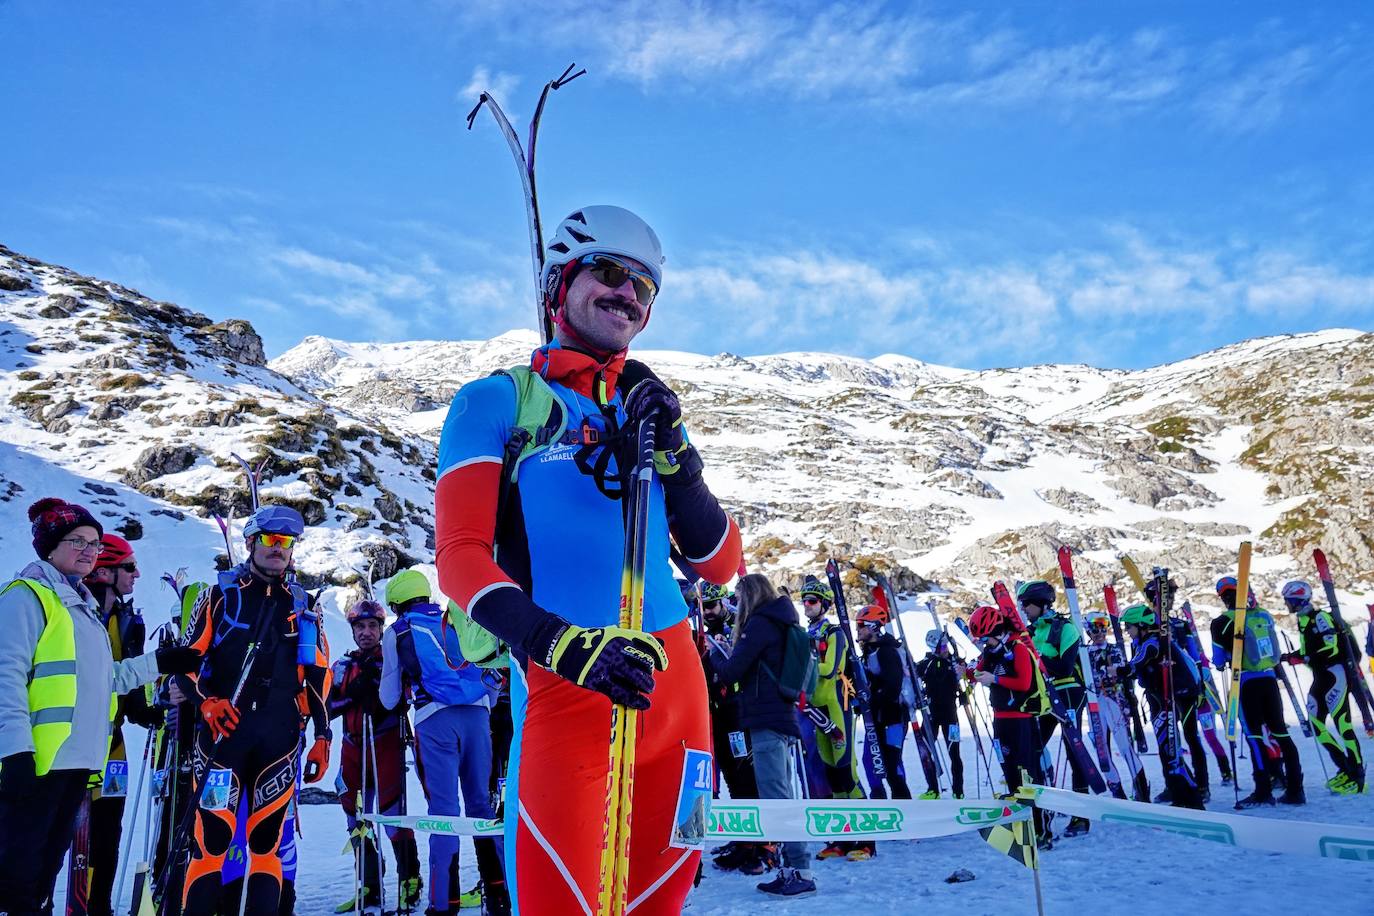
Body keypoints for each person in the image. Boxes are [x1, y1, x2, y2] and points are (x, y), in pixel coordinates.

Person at [433, 205, 742, 914]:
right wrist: (561, 646)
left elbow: (721, 564)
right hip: (567, 693)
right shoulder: (494, 403)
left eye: (644, 286)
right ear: (558, 283)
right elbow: (459, 559)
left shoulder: (651, 414)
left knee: (661, 905)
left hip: (682, 712)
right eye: (608, 271)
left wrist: (679, 459)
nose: (627, 293)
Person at [0, 498, 198, 916]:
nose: (89, 550)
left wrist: (159, 663)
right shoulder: (27, 597)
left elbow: (106, 680)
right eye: (78, 541)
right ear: (50, 546)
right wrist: (14, 751)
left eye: (94, 543)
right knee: (15, 879)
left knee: (40, 881)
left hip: (76, 762)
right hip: (35, 763)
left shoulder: (81, 606)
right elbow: (5, 678)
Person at [173, 505, 333, 915]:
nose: (278, 548)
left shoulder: (303, 605)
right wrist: (206, 703)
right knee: (211, 844)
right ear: (250, 543)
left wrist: (323, 736)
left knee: (267, 846)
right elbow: (185, 664)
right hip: (223, 736)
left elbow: (318, 676)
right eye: (269, 539)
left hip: (279, 738)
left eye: (286, 541)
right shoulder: (218, 596)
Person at [379, 569, 506, 916]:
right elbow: (491, 682)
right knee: (482, 807)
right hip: (479, 717)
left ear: (396, 603)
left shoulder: (398, 631)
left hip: (434, 721)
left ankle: (443, 903)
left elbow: (388, 697)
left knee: (444, 813)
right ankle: (499, 895)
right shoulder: (457, 619)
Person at [77, 533, 163, 916]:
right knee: (62, 832)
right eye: (129, 567)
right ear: (103, 572)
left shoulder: (129, 621)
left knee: (108, 832)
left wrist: (150, 712)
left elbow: (131, 687)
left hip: (112, 743)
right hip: (72, 742)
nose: (136, 574)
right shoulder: (76, 613)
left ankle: (99, 906)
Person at [714, 574, 817, 897]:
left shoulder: (759, 624)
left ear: (750, 595)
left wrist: (716, 655)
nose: (737, 603)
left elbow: (732, 671)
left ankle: (800, 871)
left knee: (777, 799)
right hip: (781, 718)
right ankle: (793, 868)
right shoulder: (782, 621)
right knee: (781, 795)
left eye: (739, 597)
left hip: (766, 721)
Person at [330, 598, 422, 913]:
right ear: (353, 631)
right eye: (360, 627)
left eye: (372, 626)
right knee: (355, 818)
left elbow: (407, 697)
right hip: (352, 748)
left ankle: (409, 880)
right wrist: (353, 694)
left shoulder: (392, 660)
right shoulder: (343, 666)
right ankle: (369, 884)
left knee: (393, 815)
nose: (366, 632)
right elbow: (327, 708)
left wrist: (384, 697)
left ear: (381, 629)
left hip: (385, 744)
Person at [957, 604, 1051, 849]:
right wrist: (965, 672)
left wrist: (995, 679)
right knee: (1009, 773)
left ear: (996, 632)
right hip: (1000, 719)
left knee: (1027, 775)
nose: (983, 643)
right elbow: (978, 674)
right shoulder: (991, 652)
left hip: (1021, 719)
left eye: (985, 638)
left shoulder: (1018, 649)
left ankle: (1041, 829)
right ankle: (1020, 827)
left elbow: (1023, 683)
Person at [1209, 577, 1304, 807]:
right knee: (1281, 733)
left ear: (1224, 597)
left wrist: (1225, 658)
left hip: (1245, 683)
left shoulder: (1222, 622)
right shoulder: (1263, 615)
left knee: (1254, 737)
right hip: (1270, 680)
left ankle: (1263, 790)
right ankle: (1295, 790)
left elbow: (1218, 660)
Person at [795, 575, 866, 861]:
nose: (807, 605)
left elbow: (829, 668)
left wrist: (804, 660)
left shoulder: (834, 632)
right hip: (818, 710)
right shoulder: (808, 633)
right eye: (804, 601)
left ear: (824, 604)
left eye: (812, 601)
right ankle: (841, 840)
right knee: (832, 778)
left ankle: (867, 840)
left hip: (837, 707)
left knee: (848, 775)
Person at [1017, 580, 1091, 835]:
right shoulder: (1031, 632)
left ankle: (1081, 817)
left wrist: (1037, 657)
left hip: (1068, 693)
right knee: (1033, 749)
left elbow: (1064, 667)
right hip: (1044, 697)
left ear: (1041, 603)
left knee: (1074, 752)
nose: (1024, 609)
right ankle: (1043, 807)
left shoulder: (1065, 628)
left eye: (1027, 604)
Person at [1116, 604, 1204, 809]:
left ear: (1141, 625)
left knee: (1172, 753)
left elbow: (1135, 665)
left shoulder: (1152, 642)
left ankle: (1193, 801)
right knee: (1167, 752)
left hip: (1173, 700)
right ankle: (1179, 797)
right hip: (1162, 700)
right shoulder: (1146, 641)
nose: (1127, 631)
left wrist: (1118, 671)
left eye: (1129, 626)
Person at [1282, 580, 1365, 793]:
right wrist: (1290, 657)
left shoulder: (1320, 617)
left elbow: (1331, 647)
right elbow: (1309, 651)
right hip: (1321, 677)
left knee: (1343, 724)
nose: (1286, 604)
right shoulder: (1304, 621)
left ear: (1298, 600)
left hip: (1335, 675)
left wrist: (1306, 657)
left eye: (1288, 600)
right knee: (1316, 724)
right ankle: (1345, 767)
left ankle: (1357, 776)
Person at [1082, 612, 1149, 802]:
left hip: (1114, 702)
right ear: (1088, 631)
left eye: (1102, 627)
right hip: (1094, 704)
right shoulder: (1084, 652)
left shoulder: (1114, 649)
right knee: (1102, 750)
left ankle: (1142, 792)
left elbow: (1122, 672)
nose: (1099, 633)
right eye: (1094, 629)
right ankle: (1117, 793)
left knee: (1125, 747)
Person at [854, 604, 913, 802]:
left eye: (861, 625)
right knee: (871, 760)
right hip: (878, 717)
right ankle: (878, 798)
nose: (857, 629)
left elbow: (893, 686)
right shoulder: (870, 651)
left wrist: (872, 698)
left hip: (893, 717)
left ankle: (903, 803)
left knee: (891, 765)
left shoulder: (887, 651)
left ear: (873, 626)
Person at [915, 630, 965, 799]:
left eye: (946, 646)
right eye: (942, 647)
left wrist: (965, 691)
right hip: (932, 716)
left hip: (951, 716)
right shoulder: (926, 663)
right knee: (925, 751)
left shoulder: (954, 662)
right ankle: (933, 789)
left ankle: (958, 791)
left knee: (954, 753)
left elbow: (967, 677)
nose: (945, 649)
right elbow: (912, 675)